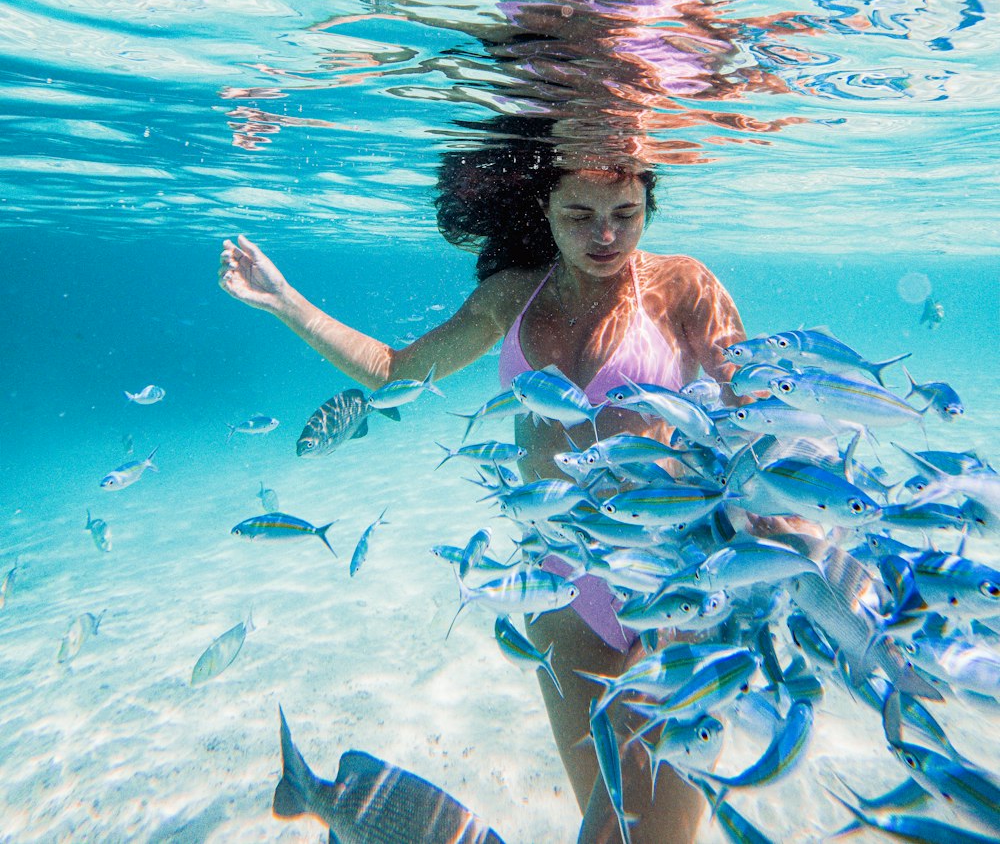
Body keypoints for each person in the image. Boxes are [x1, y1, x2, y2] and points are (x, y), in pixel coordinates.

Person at [218, 123, 745, 844]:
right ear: (545, 209)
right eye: (579, 215)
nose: (605, 235)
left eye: (625, 213)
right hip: (562, 600)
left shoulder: (685, 286)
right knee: (617, 827)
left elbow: (758, 408)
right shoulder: (511, 299)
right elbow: (394, 369)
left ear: (649, 200)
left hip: (672, 592)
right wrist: (284, 301)